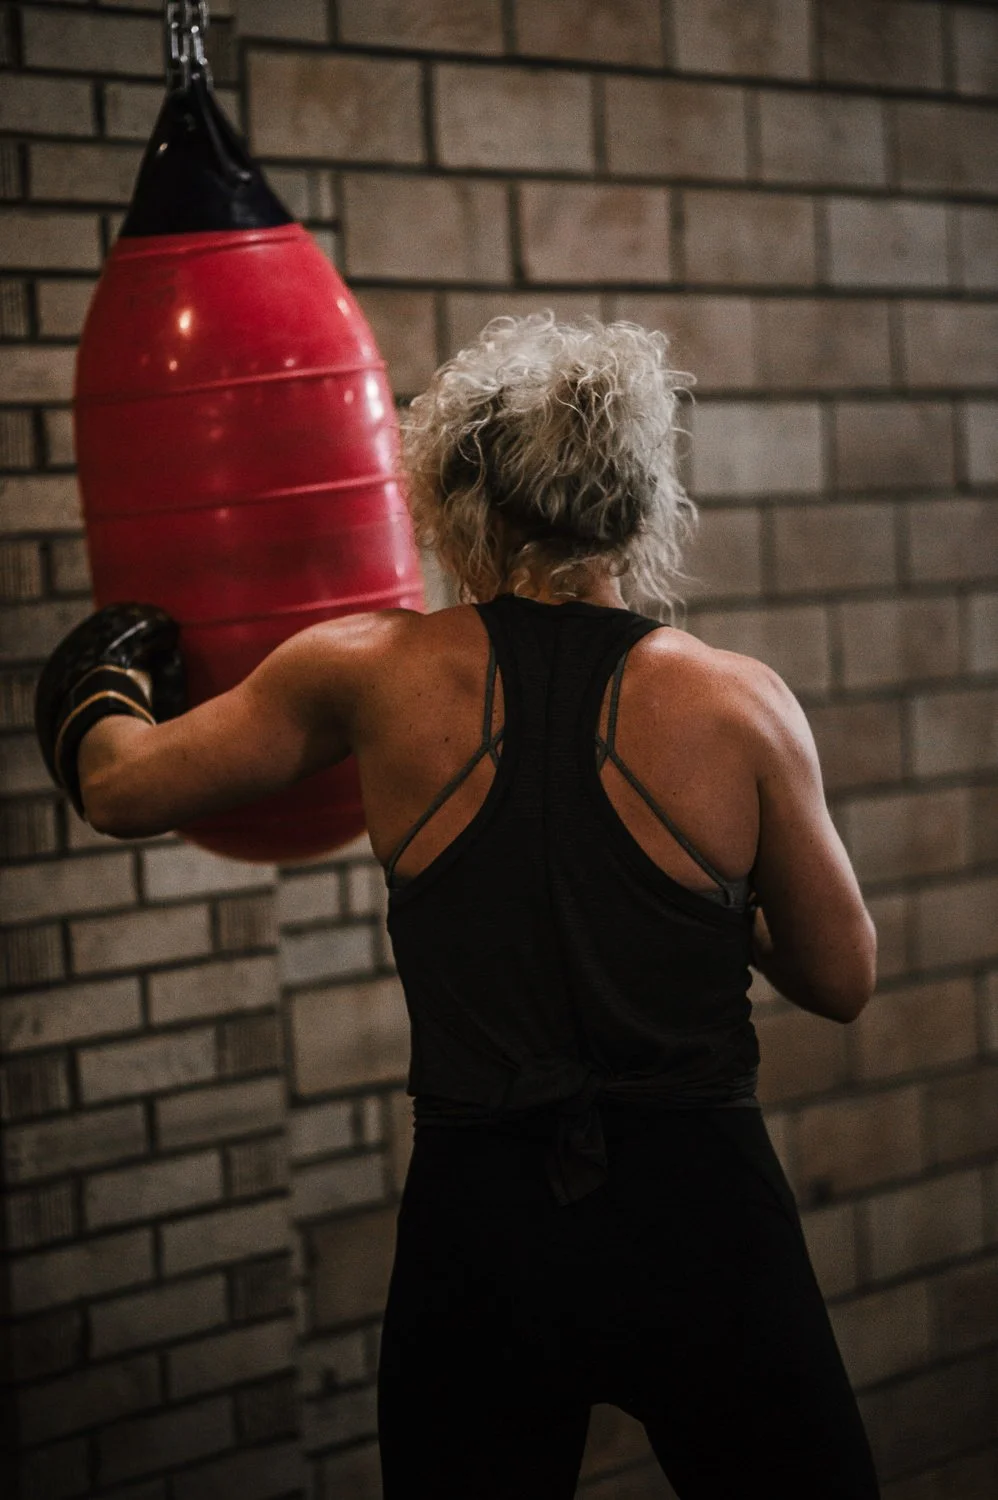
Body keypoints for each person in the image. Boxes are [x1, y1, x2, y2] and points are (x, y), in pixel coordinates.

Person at [36, 315, 880, 1498]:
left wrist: (100, 670)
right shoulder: (740, 705)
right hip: (699, 1215)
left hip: (483, 1227)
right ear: (637, 505)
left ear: (453, 498)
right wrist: (697, 900)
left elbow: (120, 787)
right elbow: (839, 978)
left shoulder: (366, 670)